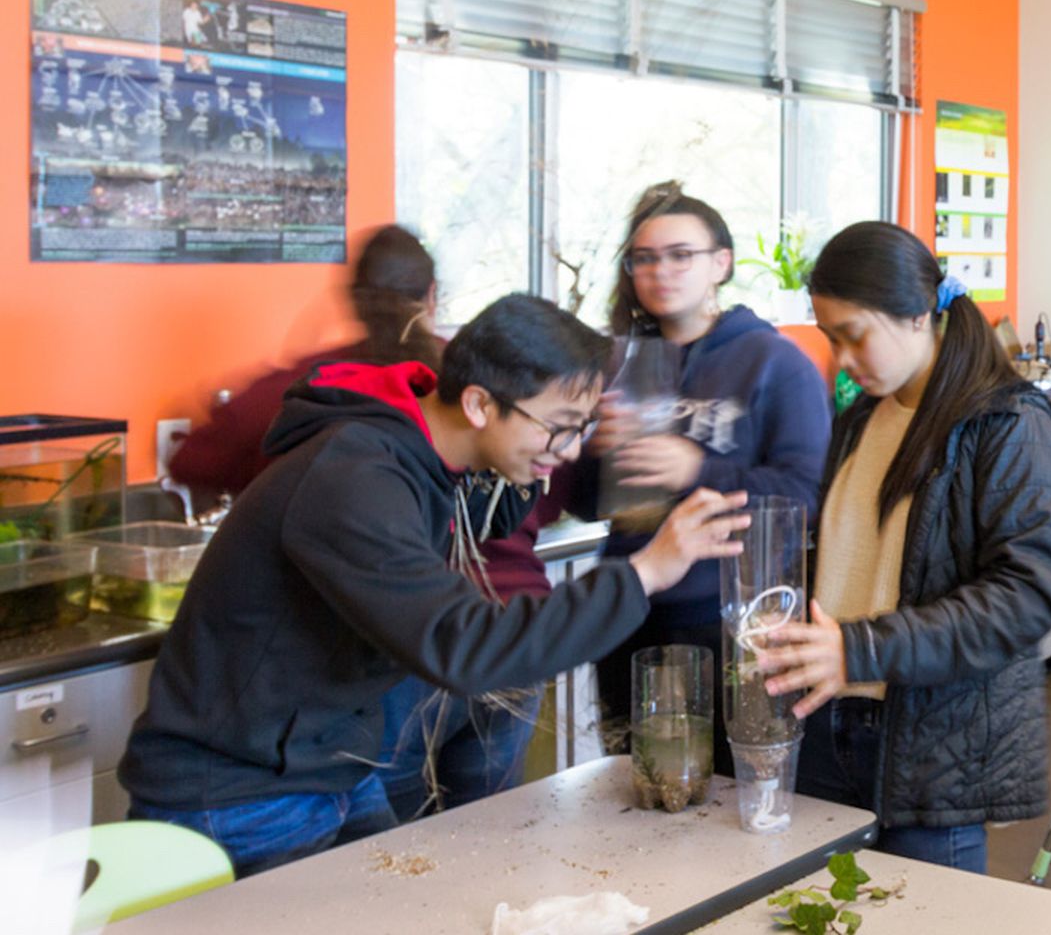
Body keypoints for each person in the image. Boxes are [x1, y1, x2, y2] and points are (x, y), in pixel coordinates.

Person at [119, 294, 750, 877]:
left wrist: (533, 451)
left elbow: (487, 511)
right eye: (559, 426)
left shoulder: (424, 455)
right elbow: (465, 646)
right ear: (478, 404)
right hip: (238, 792)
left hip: (328, 767)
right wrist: (645, 572)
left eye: (582, 427)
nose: (568, 449)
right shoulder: (355, 476)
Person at [753, 222, 1051, 873]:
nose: (841, 358)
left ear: (919, 313)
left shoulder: (1008, 423)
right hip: (825, 724)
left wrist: (858, 647)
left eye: (854, 335)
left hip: (930, 749)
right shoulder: (861, 419)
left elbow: (1024, 601)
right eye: (830, 338)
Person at [585, 182, 832, 776]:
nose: (660, 271)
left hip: (726, 620)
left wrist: (701, 469)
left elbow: (807, 495)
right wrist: (584, 447)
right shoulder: (616, 362)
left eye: (680, 255)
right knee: (635, 785)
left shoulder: (774, 362)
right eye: (644, 258)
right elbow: (587, 500)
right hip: (628, 606)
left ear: (721, 263)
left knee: (727, 791)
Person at [167, 224, 441, 497]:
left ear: (352, 302)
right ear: (432, 295)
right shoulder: (463, 374)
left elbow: (189, 461)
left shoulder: (303, 383)